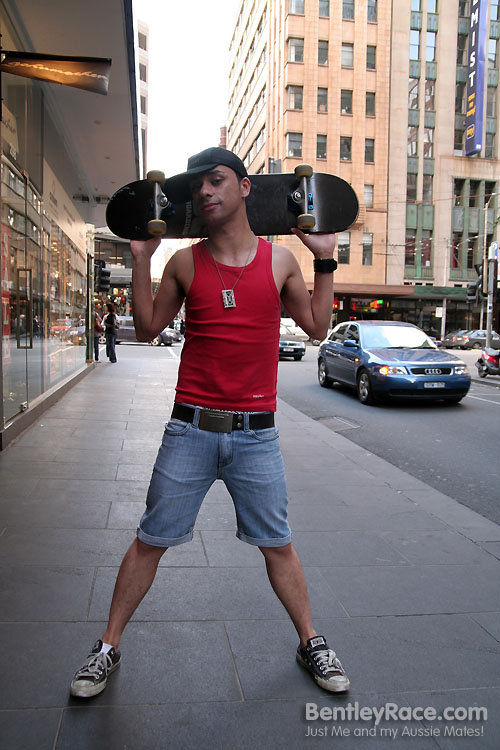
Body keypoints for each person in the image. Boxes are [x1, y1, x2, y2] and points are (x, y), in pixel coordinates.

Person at [70, 147, 349, 698]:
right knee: (149, 540)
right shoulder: (184, 262)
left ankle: (311, 641)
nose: (204, 191)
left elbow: (318, 328)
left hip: (257, 435)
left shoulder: (280, 262)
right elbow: (146, 329)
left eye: (216, 180)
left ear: (245, 187)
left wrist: (323, 260)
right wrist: (142, 258)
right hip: (189, 431)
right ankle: (106, 648)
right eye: (198, 184)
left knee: (279, 545)